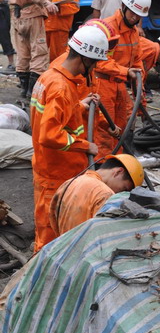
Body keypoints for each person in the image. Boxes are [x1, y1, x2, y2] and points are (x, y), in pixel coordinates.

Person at [30, 25, 109, 252]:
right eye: (93, 63)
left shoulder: (51, 77)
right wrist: (86, 146)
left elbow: (57, 115)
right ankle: (41, 278)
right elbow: (49, 134)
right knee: (49, 233)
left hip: (50, 166)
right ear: (84, 59)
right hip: (56, 171)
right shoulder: (61, 87)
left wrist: (79, 106)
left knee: (52, 227)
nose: (93, 69)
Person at [92, 0, 150, 157]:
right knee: (106, 127)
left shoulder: (133, 32)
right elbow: (100, 62)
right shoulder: (107, 28)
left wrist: (139, 82)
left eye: (139, 15)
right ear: (124, 7)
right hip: (103, 84)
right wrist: (126, 72)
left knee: (125, 122)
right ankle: (102, 164)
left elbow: (137, 60)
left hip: (119, 85)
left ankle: (122, 160)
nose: (135, 18)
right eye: (132, 12)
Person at [8, 0, 58, 100]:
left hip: (17, 14)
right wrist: (47, 3)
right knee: (39, 52)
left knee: (23, 52)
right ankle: (32, 92)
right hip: (31, 13)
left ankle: (23, 90)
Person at [49, 154, 144, 237]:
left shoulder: (69, 183)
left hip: (65, 250)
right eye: (124, 188)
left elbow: (53, 219)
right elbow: (105, 233)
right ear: (118, 172)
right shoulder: (105, 194)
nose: (119, 194)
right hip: (85, 253)